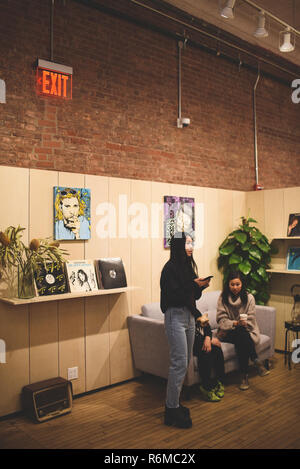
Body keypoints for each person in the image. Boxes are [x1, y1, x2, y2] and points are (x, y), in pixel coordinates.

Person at [160, 231, 211, 428]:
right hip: (175, 317)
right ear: (179, 246)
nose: (190, 247)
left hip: (189, 316)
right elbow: (172, 297)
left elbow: (192, 296)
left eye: (192, 243)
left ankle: (174, 403)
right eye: (187, 243)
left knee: (186, 360)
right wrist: (192, 285)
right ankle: (171, 409)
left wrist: (200, 286)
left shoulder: (188, 267)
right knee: (178, 363)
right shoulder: (169, 268)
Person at [216, 271, 269, 391]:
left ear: (242, 284)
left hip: (246, 330)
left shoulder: (249, 297)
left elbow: (251, 319)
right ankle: (255, 360)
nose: (235, 287)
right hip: (227, 332)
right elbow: (221, 320)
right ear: (228, 285)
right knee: (241, 334)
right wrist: (235, 323)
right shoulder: (222, 297)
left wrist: (241, 324)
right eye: (232, 284)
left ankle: (244, 376)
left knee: (241, 337)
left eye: (237, 284)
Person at [193, 315, 225, 402]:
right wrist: (209, 341)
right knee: (206, 352)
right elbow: (191, 337)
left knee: (217, 349)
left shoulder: (196, 312)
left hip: (203, 340)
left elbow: (207, 326)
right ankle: (206, 388)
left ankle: (219, 382)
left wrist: (208, 338)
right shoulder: (183, 316)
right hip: (192, 344)